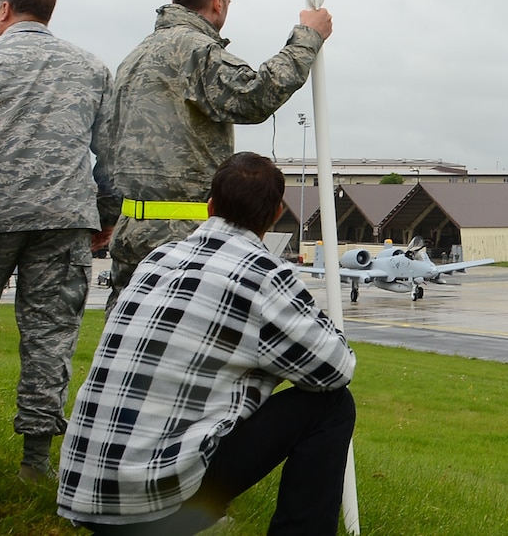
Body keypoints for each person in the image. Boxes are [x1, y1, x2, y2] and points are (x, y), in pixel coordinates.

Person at [59, 153, 354, 535]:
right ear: (277, 212)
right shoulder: (264, 276)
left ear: (210, 206)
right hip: (150, 504)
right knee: (332, 405)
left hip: (83, 490)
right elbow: (336, 369)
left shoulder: (158, 259)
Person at [101, 0, 330, 309]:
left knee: (129, 335)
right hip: (180, 235)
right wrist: (308, 37)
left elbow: (109, 145)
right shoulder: (194, 51)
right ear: (218, 1)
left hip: (132, 227)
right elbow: (255, 96)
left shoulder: (135, 57)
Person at [0, 0, 116, 482]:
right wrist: (107, 213)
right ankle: (36, 461)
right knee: (51, 335)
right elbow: (109, 153)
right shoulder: (92, 68)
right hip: (64, 217)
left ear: (6, 10)